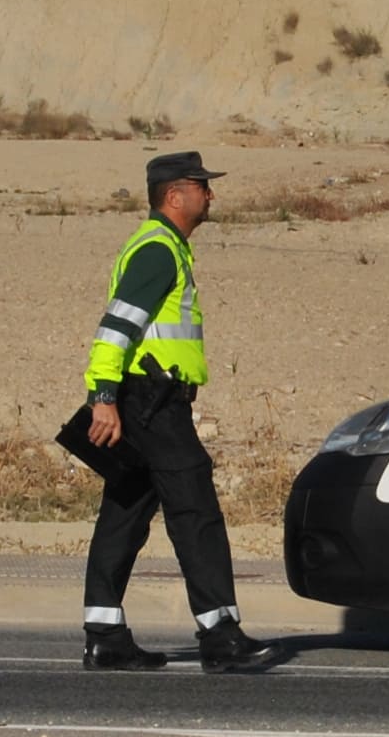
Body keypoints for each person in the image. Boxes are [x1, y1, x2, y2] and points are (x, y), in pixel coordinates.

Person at [77, 150, 286, 673]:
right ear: (175, 195)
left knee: (124, 516)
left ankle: (104, 635)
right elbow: (115, 328)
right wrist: (102, 398)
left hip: (146, 400)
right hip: (152, 402)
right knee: (196, 512)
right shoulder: (157, 251)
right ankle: (220, 634)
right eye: (201, 185)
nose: (210, 193)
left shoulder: (167, 247)